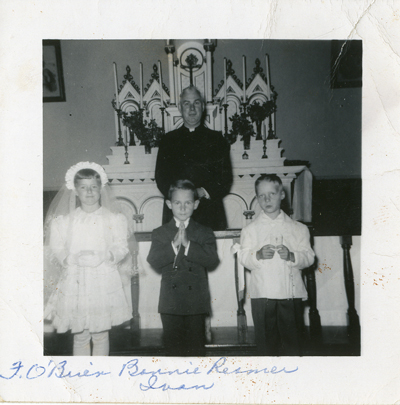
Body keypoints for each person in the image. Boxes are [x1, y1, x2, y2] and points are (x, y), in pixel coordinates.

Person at [43, 162, 136, 356]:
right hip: (76, 280)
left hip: (102, 279)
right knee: (81, 334)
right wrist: (70, 258)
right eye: (83, 187)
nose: (89, 192)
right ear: (75, 190)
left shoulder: (113, 219)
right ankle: (83, 376)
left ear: (101, 189)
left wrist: (106, 255)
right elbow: (57, 247)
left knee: (101, 333)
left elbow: (121, 246)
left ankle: (99, 377)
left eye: (94, 187)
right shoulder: (65, 221)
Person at [237, 174, 315, 356]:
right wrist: (256, 255)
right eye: (262, 196)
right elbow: (243, 258)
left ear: (282, 195)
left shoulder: (298, 228)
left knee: (292, 342)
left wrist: (292, 255)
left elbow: (309, 257)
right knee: (266, 343)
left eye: (272, 194)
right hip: (263, 295)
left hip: (290, 293)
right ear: (257, 199)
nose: (267, 199)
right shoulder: (250, 230)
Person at [147, 179, 220, 356]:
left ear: (196, 204)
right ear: (168, 204)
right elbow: (154, 260)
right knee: (173, 350)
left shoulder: (204, 232)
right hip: (170, 304)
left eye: (187, 203)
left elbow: (212, 261)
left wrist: (188, 245)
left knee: (195, 349)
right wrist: (173, 245)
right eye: (177, 203)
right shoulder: (160, 232)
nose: (182, 208)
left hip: (196, 303)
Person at [155, 86, 233, 231]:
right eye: (187, 103)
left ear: (203, 106)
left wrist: (201, 192)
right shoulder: (168, 141)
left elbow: (225, 179)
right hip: (177, 212)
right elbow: (161, 178)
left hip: (209, 213)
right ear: (180, 107)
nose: (192, 108)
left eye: (196, 103)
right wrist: (181, 197)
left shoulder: (217, 140)